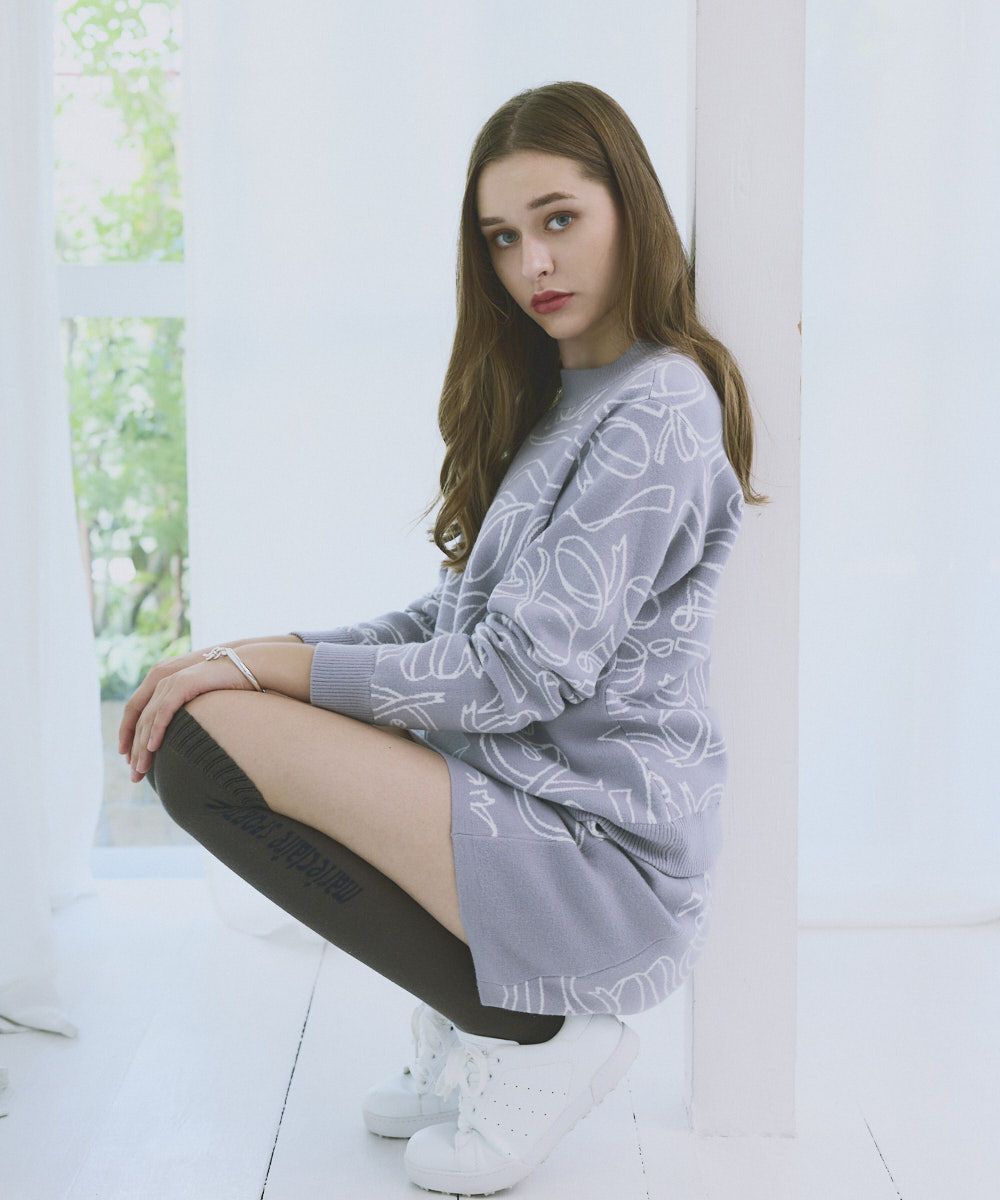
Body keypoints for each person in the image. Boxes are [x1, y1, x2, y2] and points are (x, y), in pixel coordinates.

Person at [119, 80, 767, 1196]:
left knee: (200, 746)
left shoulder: (660, 405)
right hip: (527, 807)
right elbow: (450, 621)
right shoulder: (565, 398)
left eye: (559, 219)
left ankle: (532, 1030)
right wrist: (252, 651)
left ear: (631, 210)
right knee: (210, 713)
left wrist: (265, 671)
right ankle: (487, 1018)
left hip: (599, 858)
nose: (533, 264)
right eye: (503, 238)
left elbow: (513, 674)